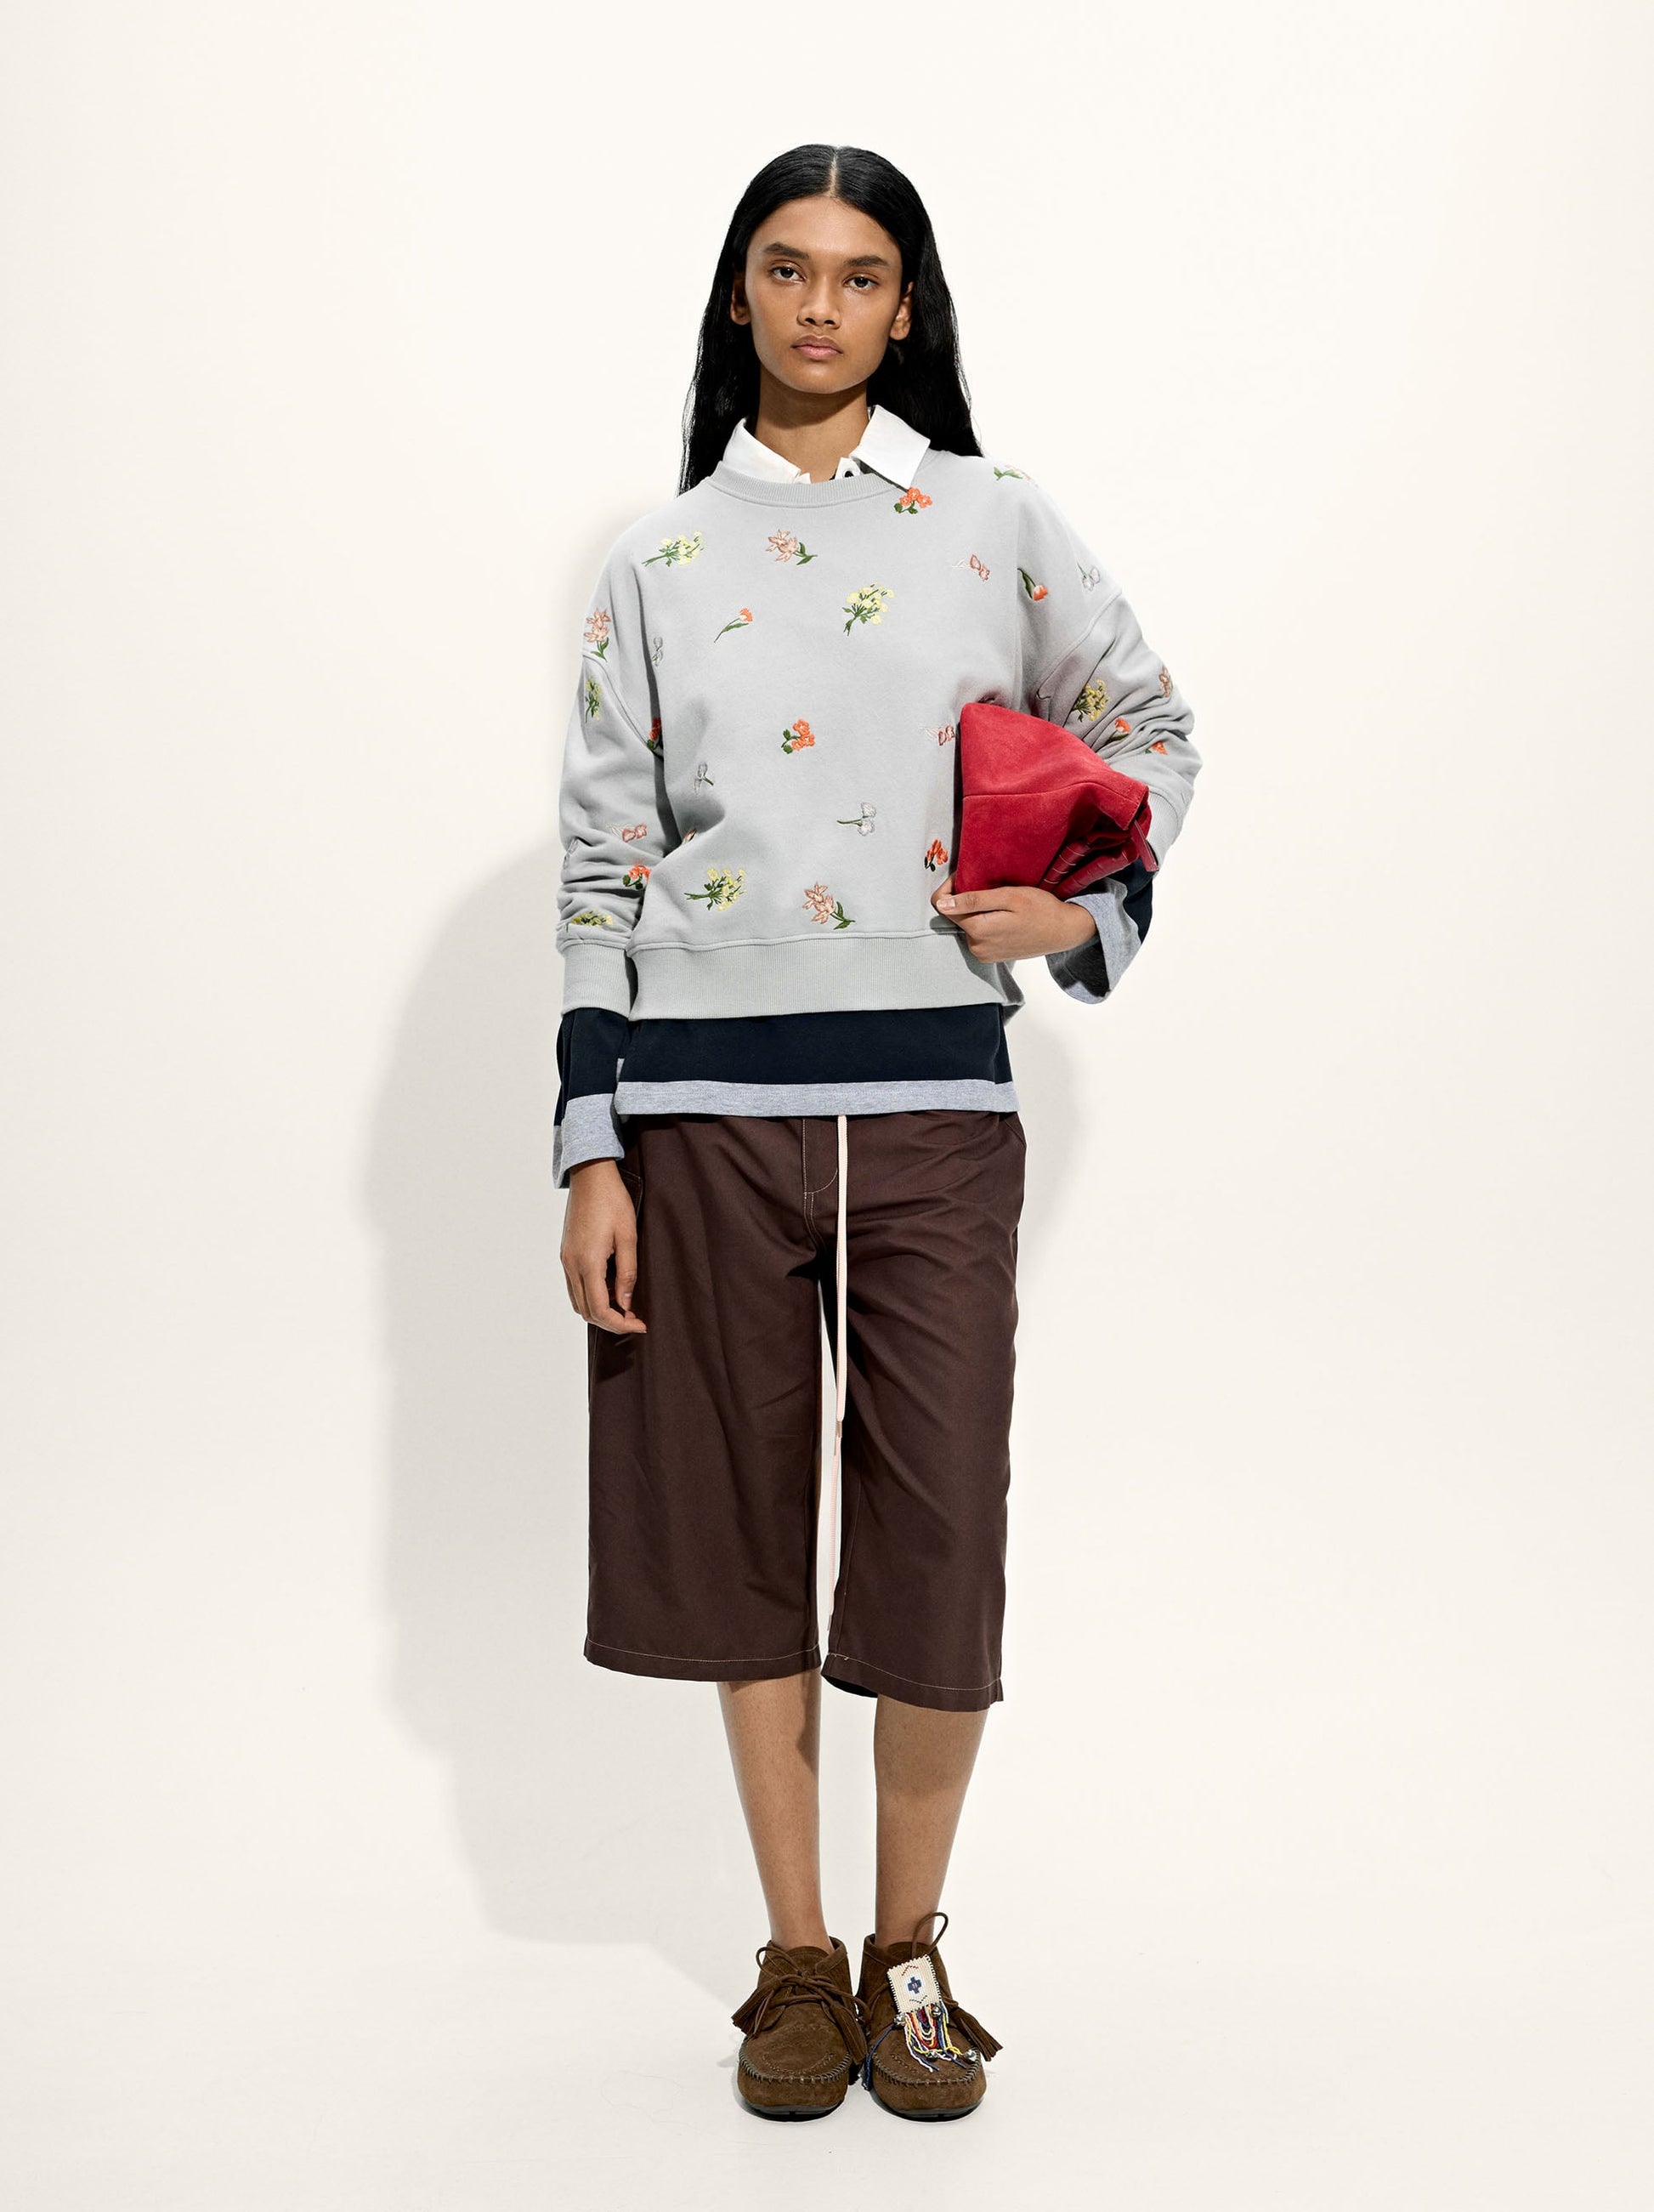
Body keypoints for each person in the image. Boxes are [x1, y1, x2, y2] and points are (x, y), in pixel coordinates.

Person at [552, 143, 1201, 2122]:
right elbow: (600, 864)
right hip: (698, 1116)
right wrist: (589, 1141)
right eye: (786, 268)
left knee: (935, 1531)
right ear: (736, 294)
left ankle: (912, 1946)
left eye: (857, 274)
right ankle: (798, 1958)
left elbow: (1149, 725)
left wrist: (1077, 913)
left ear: (905, 305)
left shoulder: (990, 520)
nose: (819, 305)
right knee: (738, 1528)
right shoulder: (658, 563)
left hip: (936, 1109)